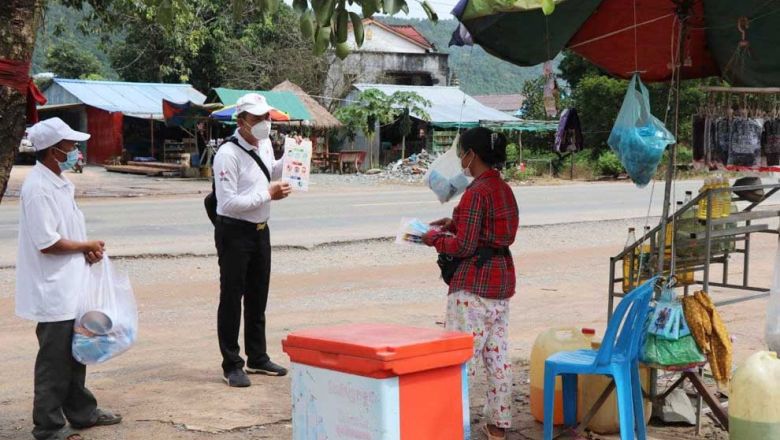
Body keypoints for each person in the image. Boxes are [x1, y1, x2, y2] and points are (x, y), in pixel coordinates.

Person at [16, 117, 122, 440]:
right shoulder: (37, 189)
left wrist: (86, 251)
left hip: (70, 284)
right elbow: (47, 242)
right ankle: (47, 425)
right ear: (54, 151)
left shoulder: (60, 182)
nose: (76, 150)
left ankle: (82, 411)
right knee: (54, 361)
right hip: (52, 290)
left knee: (77, 352)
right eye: (70, 145)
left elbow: (67, 232)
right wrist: (84, 246)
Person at [422, 127, 519, 440]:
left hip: (474, 286)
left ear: (472, 155)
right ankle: (498, 426)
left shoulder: (477, 191)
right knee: (497, 358)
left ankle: (450, 425)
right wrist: (455, 223)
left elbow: (464, 246)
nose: (460, 158)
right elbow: (489, 232)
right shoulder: (502, 188)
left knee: (461, 361)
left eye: (462, 152)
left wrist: (434, 238)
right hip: (500, 284)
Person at [212, 93, 292, 387]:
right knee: (232, 297)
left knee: (258, 295)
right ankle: (232, 363)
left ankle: (257, 357)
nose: (264, 123)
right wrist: (267, 195)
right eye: (257, 118)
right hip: (234, 231)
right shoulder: (227, 154)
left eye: (267, 117)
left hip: (260, 229)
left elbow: (268, 172)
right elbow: (228, 202)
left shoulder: (267, 144)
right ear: (241, 120)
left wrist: (292, 161)